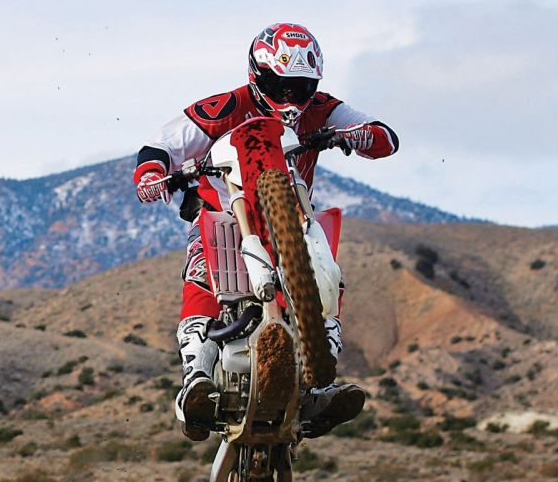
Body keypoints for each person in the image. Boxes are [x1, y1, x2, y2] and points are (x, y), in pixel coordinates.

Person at [134, 23, 398, 441]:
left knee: (328, 273)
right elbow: (160, 146)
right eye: (280, 84)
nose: (290, 97)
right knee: (204, 272)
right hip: (224, 210)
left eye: (300, 86)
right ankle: (195, 380)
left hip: (291, 217)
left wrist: (366, 135)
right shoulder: (226, 106)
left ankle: (319, 383)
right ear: (258, 75)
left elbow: (385, 137)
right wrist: (152, 173)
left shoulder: (324, 108)